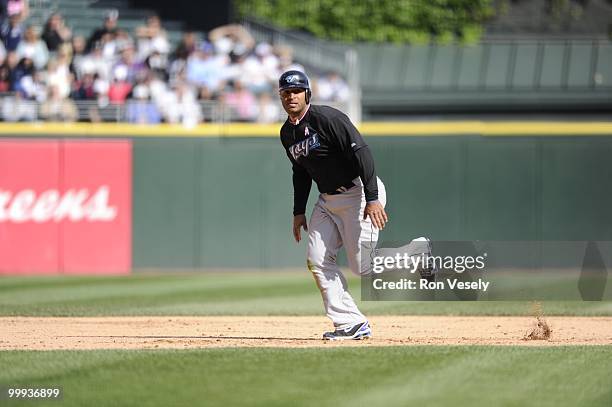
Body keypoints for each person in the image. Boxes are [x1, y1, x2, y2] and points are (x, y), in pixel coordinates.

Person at [278, 70, 389, 340]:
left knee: (362, 266)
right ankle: (349, 323)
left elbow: (361, 151)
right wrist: (298, 211)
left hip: (358, 193)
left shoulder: (328, 118)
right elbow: (301, 172)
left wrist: (372, 198)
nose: (291, 96)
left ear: (307, 93)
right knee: (316, 260)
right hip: (327, 201)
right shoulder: (287, 132)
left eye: (296, 91)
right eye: (285, 92)